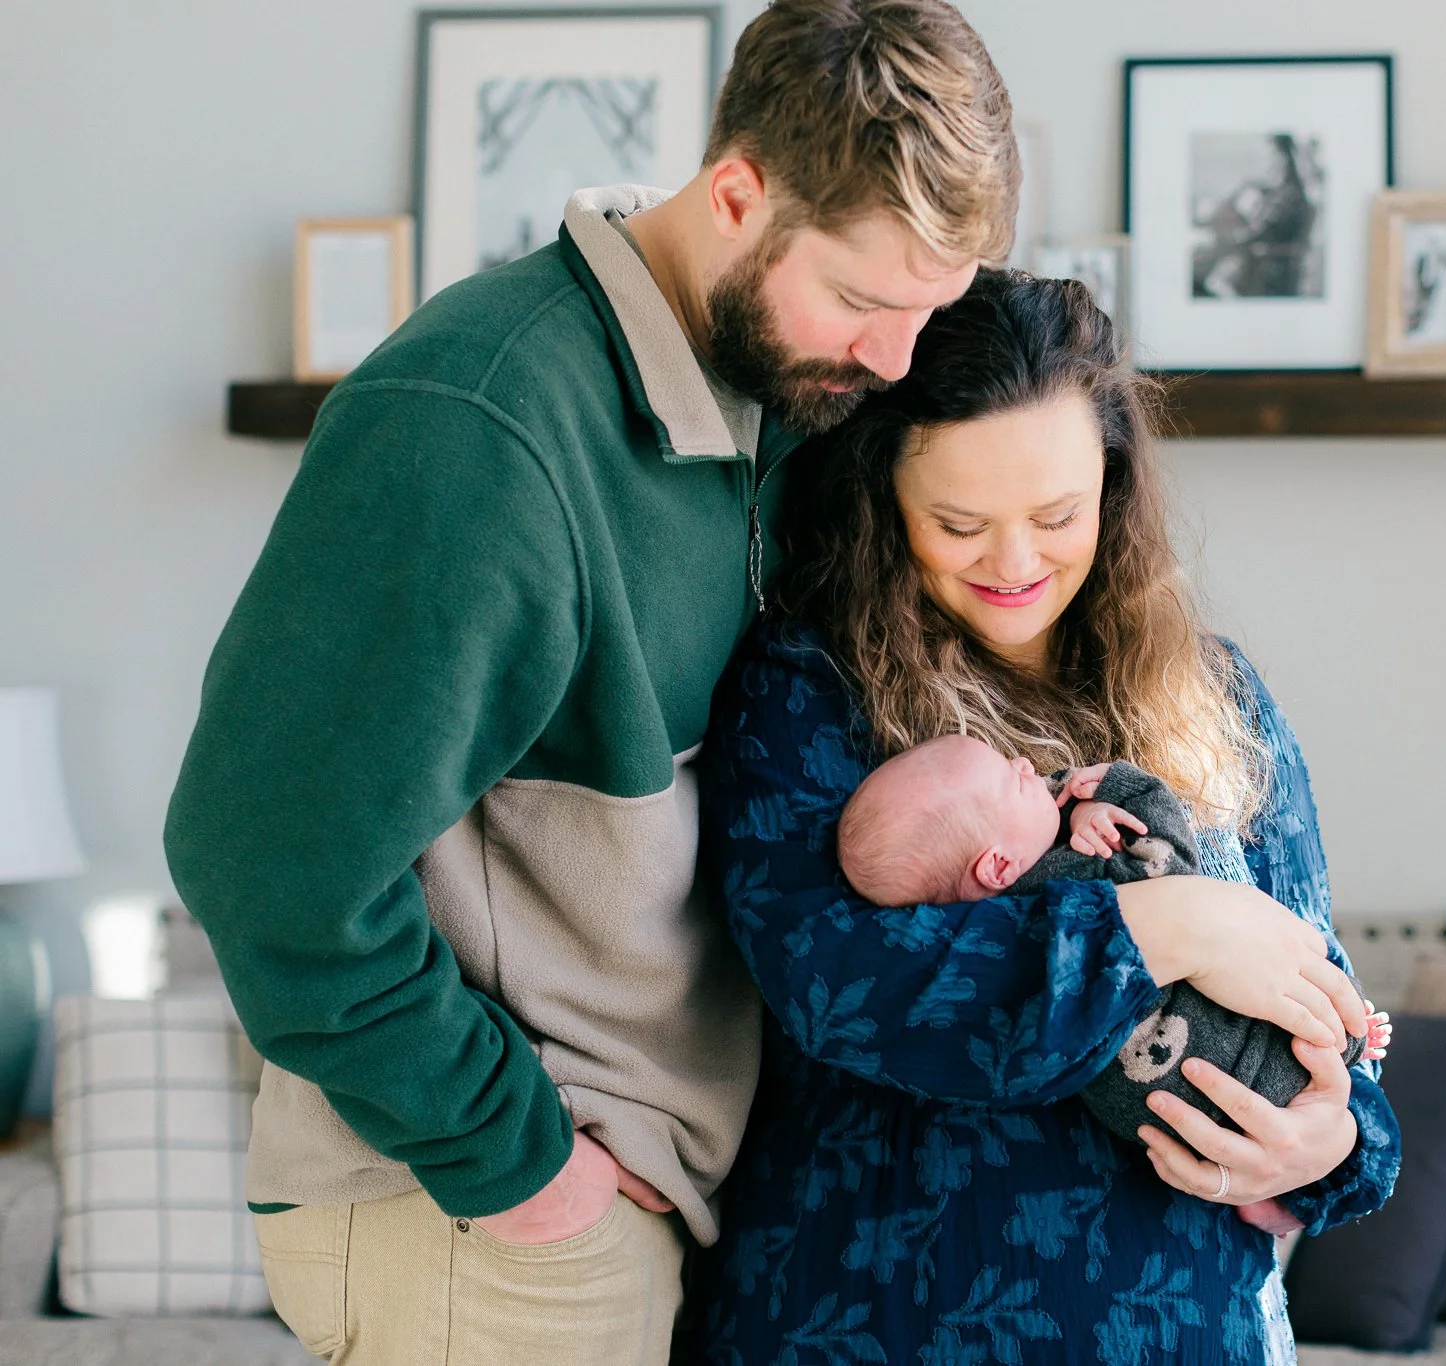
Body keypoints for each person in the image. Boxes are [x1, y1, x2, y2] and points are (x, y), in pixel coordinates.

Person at [160, 3, 1018, 1362]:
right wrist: (517, 1161)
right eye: (863, 301)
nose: (893, 359)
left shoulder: (780, 397)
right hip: (479, 1210)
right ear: (736, 193)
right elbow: (265, 857)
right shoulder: (477, 425)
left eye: (931, 312)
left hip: (643, 1192)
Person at [695, 270, 1400, 1364]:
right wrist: (1166, 928)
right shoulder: (806, 690)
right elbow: (838, 985)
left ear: (1113, 489)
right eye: (960, 523)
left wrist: (1330, 1135)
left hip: (1181, 1329)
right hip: (879, 1318)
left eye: (1057, 515)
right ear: (884, 498)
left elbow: (1320, 989)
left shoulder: (1216, 701)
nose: (1015, 562)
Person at [835, 737, 1391, 1143]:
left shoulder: (995, 935)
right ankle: (1349, 1038)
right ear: (998, 864)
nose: (1029, 764)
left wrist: (1080, 814)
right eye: (1014, 778)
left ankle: (1342, 1055)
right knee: (1305, 1029)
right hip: (1230, 1062)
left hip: (1155, 1112)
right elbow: (1171, 857)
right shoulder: (1080, 881)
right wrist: (1120, 794)